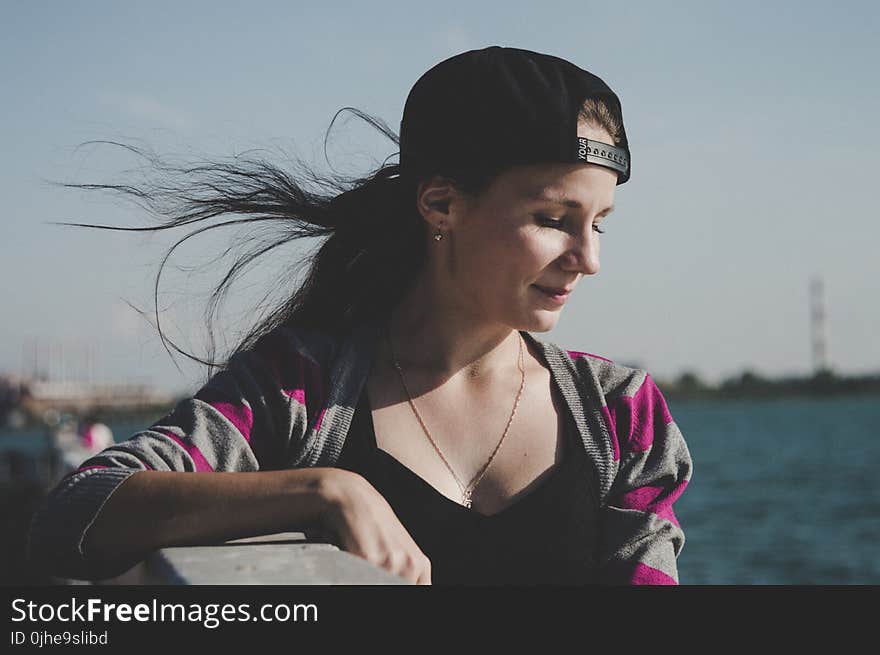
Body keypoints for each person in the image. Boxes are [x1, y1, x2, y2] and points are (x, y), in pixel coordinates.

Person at [28, 46, 692, 585]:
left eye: (600, 224)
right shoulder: (298, 388)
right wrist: (321, 489)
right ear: (441, 205)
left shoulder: (620, 415)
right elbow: (77, 510)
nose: (588, 258)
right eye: (554, 219)